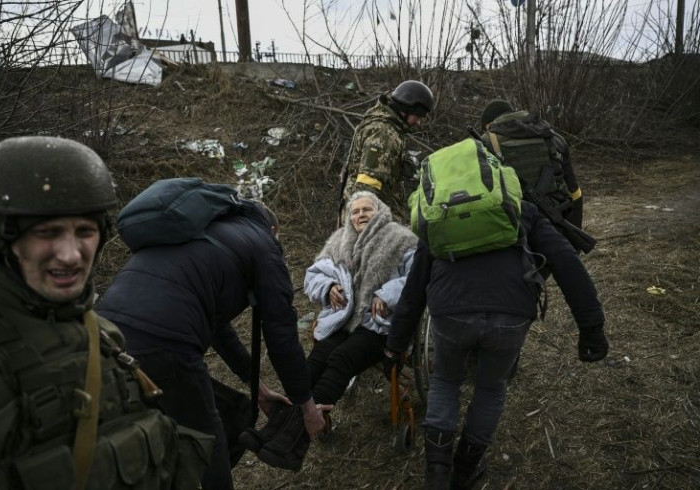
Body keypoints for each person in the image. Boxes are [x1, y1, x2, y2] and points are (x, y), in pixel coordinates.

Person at [0, 136, 211, 490]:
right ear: (4, 236)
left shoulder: (101, 334)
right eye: (47, 233)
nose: (71, 254)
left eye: (85, 231)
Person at [97, 194, 329, 488]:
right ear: (272, 231)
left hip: (107, 333)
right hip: (165, 341)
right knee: (210, 438)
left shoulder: (204, 234)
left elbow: (218, 327)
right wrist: (308, 409)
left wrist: (256, 387)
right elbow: (281, 336)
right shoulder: (263, 244)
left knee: (233, 413)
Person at [386, 201, 609, 490]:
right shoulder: (521, 208)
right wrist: (591, 327)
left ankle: (437, 476)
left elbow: (414, 288)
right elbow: (567, 261)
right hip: (511, 313)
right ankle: (464, 472)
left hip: (450, 310)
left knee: (445, 380)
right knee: (491, 387)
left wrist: (394, 346)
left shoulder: (438, 214)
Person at [243, 191, 417, 453]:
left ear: (380, 212)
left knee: (341, 359)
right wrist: (328, 287)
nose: (360, 215)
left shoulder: (401, 240)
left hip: (377, 324)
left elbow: (417, 280)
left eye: (366, 210)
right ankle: (280, 425)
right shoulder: (339, 243)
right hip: (342, 320)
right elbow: (312, 277)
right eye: (355, 212)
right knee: (316, 360)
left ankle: (296, 434)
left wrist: (387, 294)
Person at [479, 99, 584, 230]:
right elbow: (575, 193)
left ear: (489, 125)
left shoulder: (484, 143)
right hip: (556, 225)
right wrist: (574, 237)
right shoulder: (554, 137)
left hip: (511, 227)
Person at [340, 80, 434, 220]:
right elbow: (367, 186)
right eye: (418, 116)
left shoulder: (381, 125)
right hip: (370, 221)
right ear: (407, 110)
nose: (418, 122)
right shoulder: (385, 134)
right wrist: (369, 229)